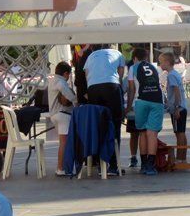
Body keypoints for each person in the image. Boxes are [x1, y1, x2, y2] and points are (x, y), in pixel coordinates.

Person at [83, 44, 125, 175]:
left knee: (98, 125)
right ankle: (113, 165)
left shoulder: (91, 56)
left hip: (93, 88)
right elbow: (120, 74)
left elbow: (87, 74)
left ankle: (101, 164)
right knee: (115, 124)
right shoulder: (117, 53)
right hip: (111, 86)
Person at [127, 48, 165, 175]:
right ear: (146, 58)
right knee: (152, 134)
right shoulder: (154, 67)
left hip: (141, 100)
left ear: (135, 58)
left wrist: (128, 106)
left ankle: (143, 164)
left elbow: (131, 89)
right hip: (157, 100)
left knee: (142, 132)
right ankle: (150, 165)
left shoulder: (133, 68)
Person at [47, 61, 76, 177]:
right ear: (65, 73)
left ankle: (61, 167)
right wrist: (75, 100)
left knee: (62, 142)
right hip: (63, 114)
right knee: (64, 143)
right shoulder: (60, 81)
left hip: (54, 115)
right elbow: (66, 93)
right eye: (68, 75)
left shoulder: (51, 81)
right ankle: (61, 168)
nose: (68, 78)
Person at [159, 52, 187, 163]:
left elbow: (176, 91)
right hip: (182, 107)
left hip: (178, 108)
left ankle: (179, 158)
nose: (160, 65)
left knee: (179, 133)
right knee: (182, 133)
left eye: (161, 62)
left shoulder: (171, 75)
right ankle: (183, 158)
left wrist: (176, 108)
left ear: (167, 62)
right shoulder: (175, 74)